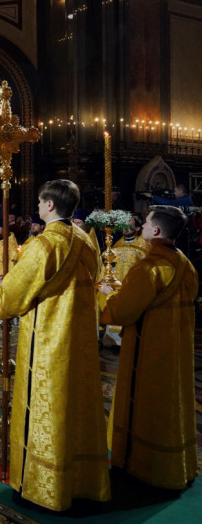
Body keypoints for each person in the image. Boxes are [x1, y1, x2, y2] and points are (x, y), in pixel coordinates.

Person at [0, 179, 110, 511]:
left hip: (46, 344)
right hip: (81, 342)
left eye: (42, 202)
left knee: (43, 409)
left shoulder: (43, 245)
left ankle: (39, 489)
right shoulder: (87, 242)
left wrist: (2, 289)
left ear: (50, 206)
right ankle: (82, 482)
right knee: (78, 407)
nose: (39, 206)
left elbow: (14, 294)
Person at [100, 205, 198, 490]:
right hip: (177, 353)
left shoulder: (149, 268)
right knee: (172, 406)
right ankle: (177, 466)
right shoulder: (186, 265)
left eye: (145, 223)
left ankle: (144, 468)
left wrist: (108, 295)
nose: (141, 227)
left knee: (146, 405)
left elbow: (121, 313)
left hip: (148, 353)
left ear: (155, 230)